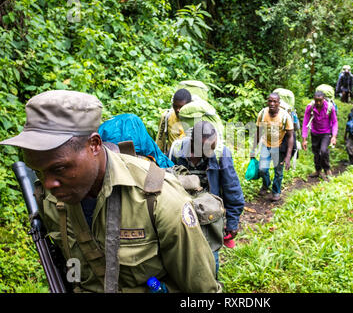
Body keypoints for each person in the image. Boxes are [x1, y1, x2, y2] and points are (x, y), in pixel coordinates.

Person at [0, 90, 220, 293]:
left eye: (59, 169)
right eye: (39, 172)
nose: (48, 184)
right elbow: (71, 268)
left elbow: (202, 291)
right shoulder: (50, 200)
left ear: (94, 145)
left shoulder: (158, 198)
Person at [171, 121, 245, 267]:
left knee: (211, 256)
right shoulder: (178, 150)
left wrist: (232, 222)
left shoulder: (220, 153)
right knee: (182, 255)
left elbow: (232, 189)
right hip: (182, 211)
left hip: (210, 213)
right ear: (194, 143)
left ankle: (212, 285)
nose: (211, 152)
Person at [251, 92, 294, 202]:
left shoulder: (285, 116)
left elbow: (290, 137)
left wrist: (288, 156)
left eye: (275, 101)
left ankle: (276, 191)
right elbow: (258, 131)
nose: (272, 103)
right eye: (270, 101)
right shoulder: (262, 113)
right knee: (262, 169)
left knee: (278, 172)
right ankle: (266, 184)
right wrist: (253, 149)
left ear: (279, 103)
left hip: (279, 147)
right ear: (267, 101)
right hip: (266, 144)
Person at [301, 91, 338, 178]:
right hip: (315, 133)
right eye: (316, 100)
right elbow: (305, 122)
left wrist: (334, 136)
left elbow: (334, 122)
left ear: (323, 99)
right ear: (314, 99)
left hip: (326, 133)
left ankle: (327, 169)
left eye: (320, 100)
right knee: (316, 152)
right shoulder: (310, 107)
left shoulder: (330, 108)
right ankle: (318, 170)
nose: (318, 103)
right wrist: (304, 139)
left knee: (324, 151)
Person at [156, 88, 192, 155]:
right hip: (171, 160)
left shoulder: (194, 120)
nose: (178, 110)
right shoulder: (167, 116)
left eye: (181, 107)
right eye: (175, 106)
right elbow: (160, 141)